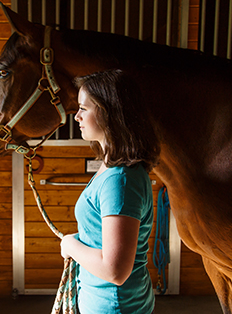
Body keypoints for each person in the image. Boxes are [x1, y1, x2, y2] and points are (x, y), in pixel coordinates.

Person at [60, 69, 160, 314]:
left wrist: (70, 245)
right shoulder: (113, 170)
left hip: (113, 306)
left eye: (84, 108)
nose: (77, 117)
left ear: (107, 113)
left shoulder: (120, 180)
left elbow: (115, 271)